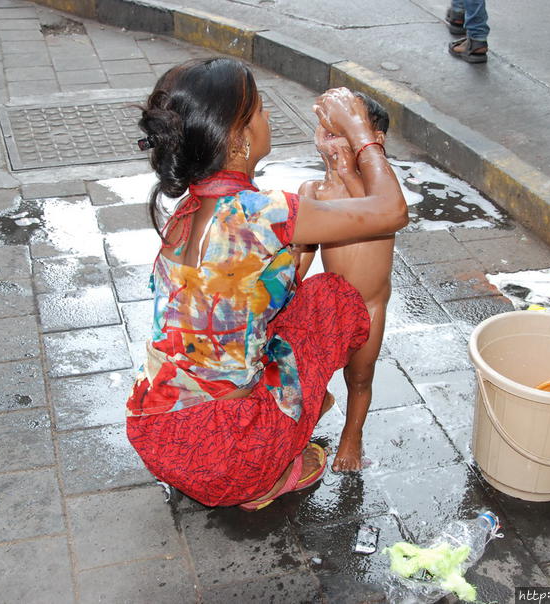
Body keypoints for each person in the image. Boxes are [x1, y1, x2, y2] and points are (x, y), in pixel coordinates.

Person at [125, 57, 408, 511]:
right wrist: (360, 134)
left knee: (283, 308)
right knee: (332, 298)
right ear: (238, 138)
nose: (269, 117)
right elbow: (392, 211)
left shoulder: (185, 210)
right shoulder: (262, 214)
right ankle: (268, 476)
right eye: (260, 109)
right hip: (228, 455)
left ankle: (267, 440)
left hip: (157, 432)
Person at [295, 93, 394, 473]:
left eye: (344, 127)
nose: (331, 135)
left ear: (375, 142)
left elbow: (373, 212)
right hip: (330, 305)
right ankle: (316, 404)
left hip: (370, 306)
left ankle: (352, 436)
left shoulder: (380, 190)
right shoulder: (313, 192)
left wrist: (348, 171)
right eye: (326, 127)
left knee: (360, 375)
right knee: (307, 369)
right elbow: (300, 257)